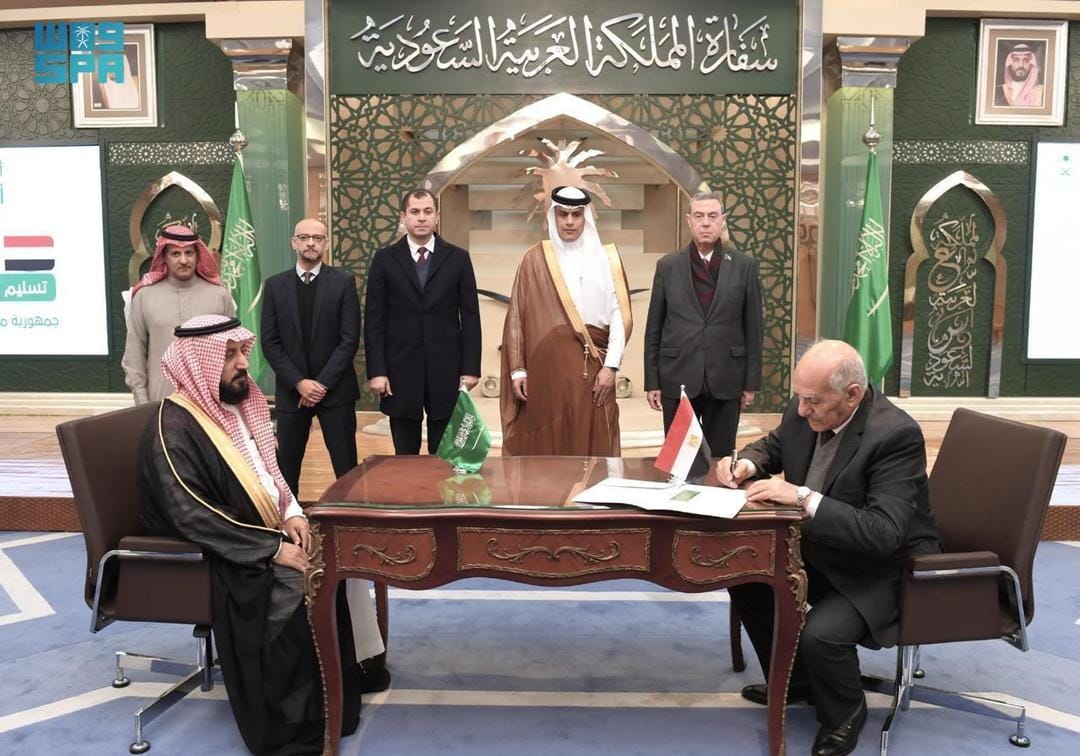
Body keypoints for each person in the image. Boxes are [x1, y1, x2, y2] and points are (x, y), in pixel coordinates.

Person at [137, 314, 382, 754]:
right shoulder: (174, 427)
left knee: (338, 558)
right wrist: (271, 549)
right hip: (226, 552)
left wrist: (291, 512)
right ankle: (297, 726)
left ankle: (341, 699)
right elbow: (191, 513)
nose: (242, 363)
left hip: (265, 531)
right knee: (303, 582)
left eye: (241, 352)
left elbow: (270, 475)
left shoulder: (238, 406)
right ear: (199, 362)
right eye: (228, 355)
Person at [716, 340, 941, 756]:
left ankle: (845, 714)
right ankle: (798, 682)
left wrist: (801, 496)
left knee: (822, 635)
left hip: (882, 568)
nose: (802, 410)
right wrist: (746, 463)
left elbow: (883, 533)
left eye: (813, 401)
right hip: (822, 547)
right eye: (800, 398)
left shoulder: (895, 435)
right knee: (746, 575)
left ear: (852, 394)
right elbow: (774, 445)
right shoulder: (807, 408)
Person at [500, 185, 633, 456]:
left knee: (597, 434)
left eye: (576, 215)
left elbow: (619, 315)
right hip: (547, 373)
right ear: (553, 216)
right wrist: (518, 370)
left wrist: (611, 367)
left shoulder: (607, 259)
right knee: (550, 438)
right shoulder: (534, 259)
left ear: (586, 217)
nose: (569, 222)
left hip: (596, 369)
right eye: (563, 214)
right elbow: (517, 318)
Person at [643, 190, 763, 454]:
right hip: (678, 374)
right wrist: (652, 381)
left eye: (712, 216)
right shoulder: (668, 266)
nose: (706, 223)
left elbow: (754, 328)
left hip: (726, 375)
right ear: (689, 221)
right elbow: (654, 328)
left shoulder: (744, 266)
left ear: (723, 220)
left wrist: (750, 383)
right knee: (680, 458)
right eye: (699, 216)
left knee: (720, 458)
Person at [364, 189, 482, 454]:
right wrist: (377, 371)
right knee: (405, 455)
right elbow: (374, 320)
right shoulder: (384, 259)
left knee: (443, 454)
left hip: (446, 369)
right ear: (403, 217)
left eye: (428, 211)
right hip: (400, 370)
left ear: (437, 216)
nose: (421, 218)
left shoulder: (458, 258)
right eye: (415, 212)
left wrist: (471, 368)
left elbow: (470, 317)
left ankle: (441, 484)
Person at [261, 218, 361, 495]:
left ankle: (348, 516)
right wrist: (299, 382)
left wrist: (321, 384)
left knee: (346, 469)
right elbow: (270, 342)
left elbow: (349, 339)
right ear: (293, 242)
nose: (310, 243)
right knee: (287, 468)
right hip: (292, 393)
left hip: (336, 392)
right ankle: (289, 518)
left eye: (317, 238)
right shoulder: (275, 286)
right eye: (304, 238)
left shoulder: (343, 283)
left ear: (326, 243)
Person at [122, 224, 235, 405]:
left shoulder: (219, 295)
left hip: (211, 404)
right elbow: (134, 356)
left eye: (189, 253)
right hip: (161, 401)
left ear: (197, 255)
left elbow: (233, 353)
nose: (183, 260)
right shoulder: (144, 296)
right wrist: (143, 405)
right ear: (164, 258)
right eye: (175, 254)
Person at [994, 41, 1044, 107]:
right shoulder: (998, 92)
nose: (1021, 65)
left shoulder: (1041, 92)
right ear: (1009, 63)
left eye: (1026, 60)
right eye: (1016, 60)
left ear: (1032, 64)